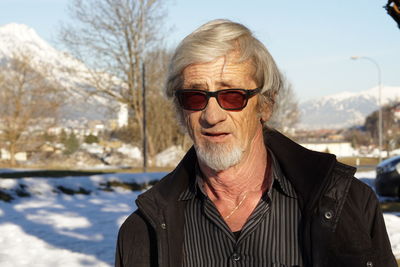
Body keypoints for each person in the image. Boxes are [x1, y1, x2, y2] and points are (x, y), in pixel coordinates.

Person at [115, 19, 396, 267]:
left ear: (266, 105)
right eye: (195, 97)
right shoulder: (142, 232)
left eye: (232, 96)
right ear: (180, 111)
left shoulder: (351, 207)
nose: (212, 116)